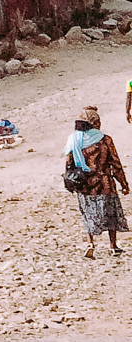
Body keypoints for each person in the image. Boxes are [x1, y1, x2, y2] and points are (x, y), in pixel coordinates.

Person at [66, 106, 130, 259]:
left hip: (85, 185)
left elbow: (69, 164)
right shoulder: (105, 140)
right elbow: (115, 163)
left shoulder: (74, 140)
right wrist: (124, 184)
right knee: (110, 214)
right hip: (105, 183)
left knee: (88, 213)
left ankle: (90, 244)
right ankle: (113, 246)